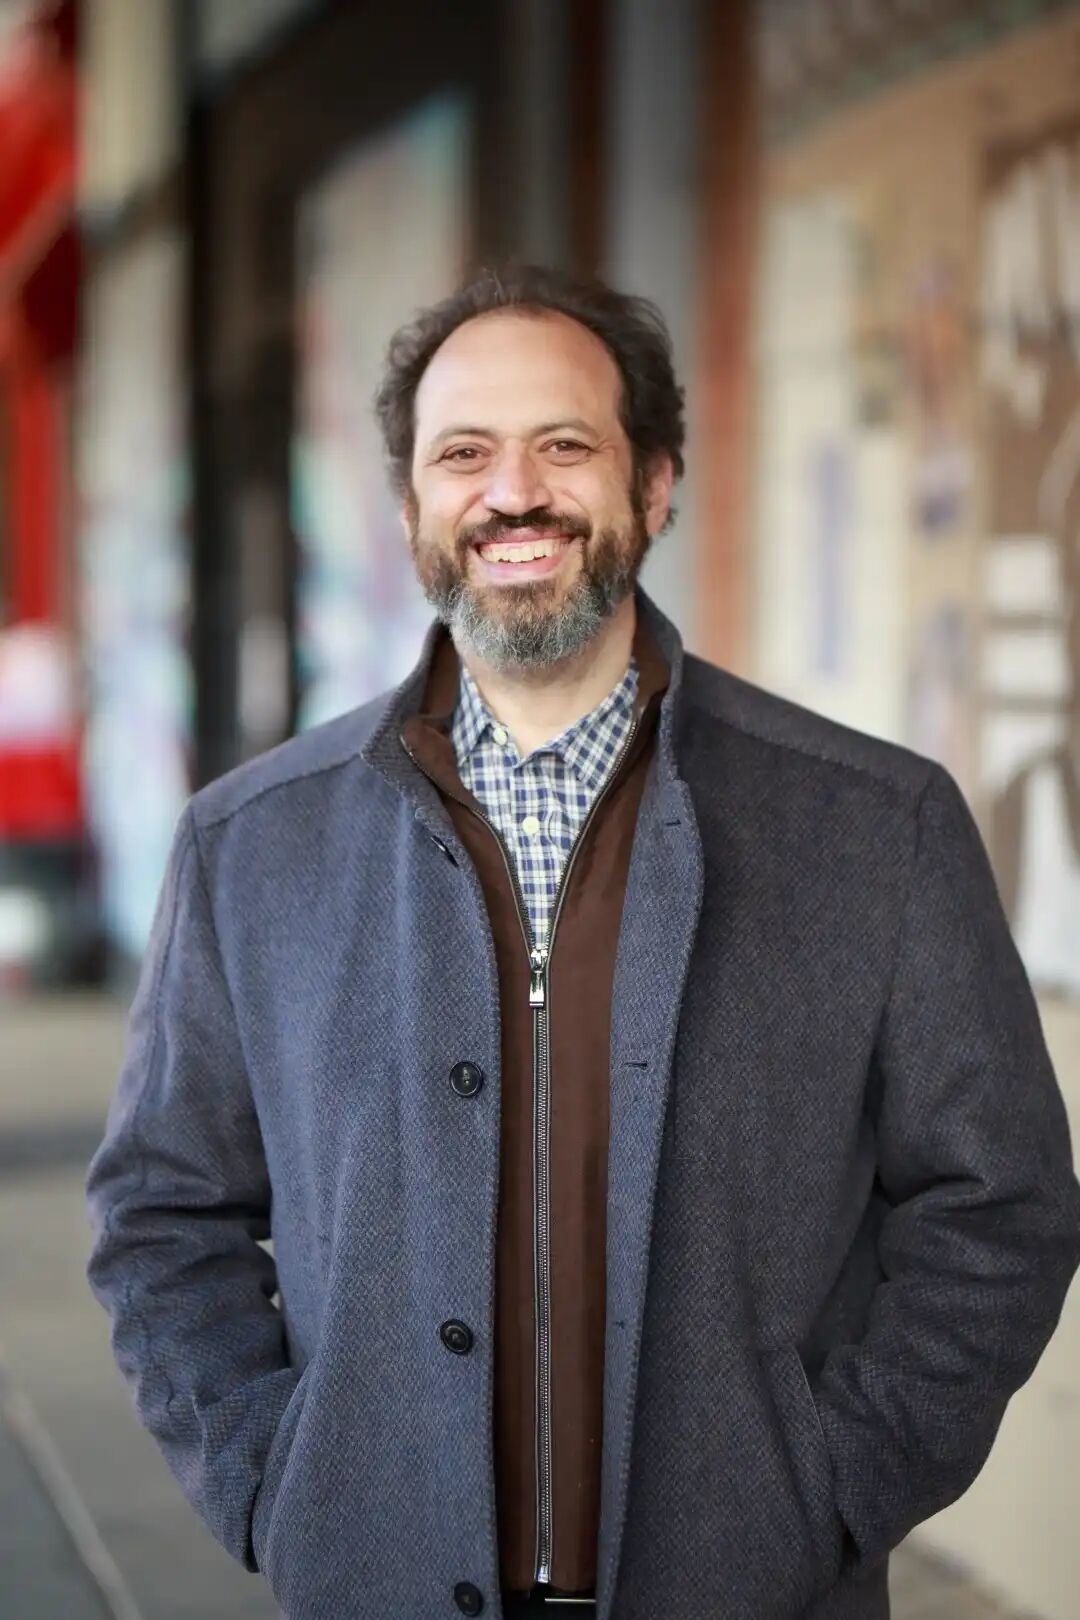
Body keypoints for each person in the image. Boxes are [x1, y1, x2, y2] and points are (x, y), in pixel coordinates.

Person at [85, 263, 1080, 1620]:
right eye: (463, 455)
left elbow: (1001, 1203)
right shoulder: (250, 846)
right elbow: (161, 1212)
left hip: (754, 1592)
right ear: (410, 508)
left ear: (655, 484)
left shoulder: (874, 824)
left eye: (565, 445)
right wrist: (275, 1481)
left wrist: (836, 1486)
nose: (514, 492)